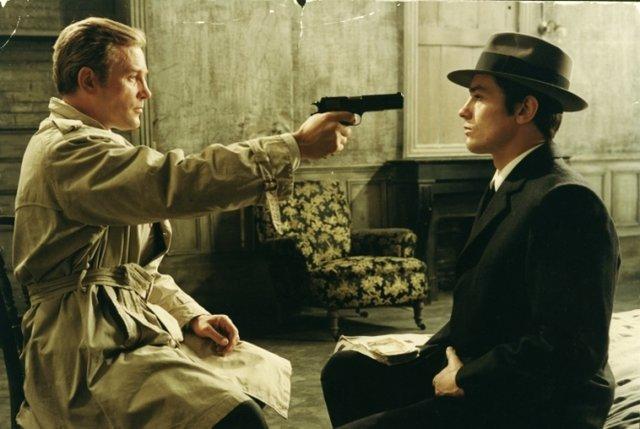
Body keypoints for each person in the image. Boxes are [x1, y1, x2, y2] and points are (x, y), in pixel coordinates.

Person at [13, 17, 355, 428]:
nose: (146, 92)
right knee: (236, 415)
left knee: (250, 378)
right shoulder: (68, 150)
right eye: (133, 78)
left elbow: (130, 275)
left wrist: (190, 316)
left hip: (112, 334)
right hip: (83, 353)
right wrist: (293, 147)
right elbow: (176, 182)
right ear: (88, 80)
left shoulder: (93, 144)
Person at [321, 32, 620, 429]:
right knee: (345, 371)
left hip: (538, 405)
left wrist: (463, 378)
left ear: (525, 109)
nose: (463, 111)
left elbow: (573, 350)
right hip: (493, 368)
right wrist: (428, 356)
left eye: (479, 97)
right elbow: (487, 310)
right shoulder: (512, 182)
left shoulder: (566, 201)